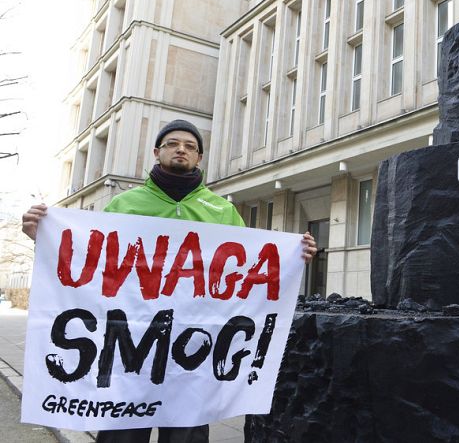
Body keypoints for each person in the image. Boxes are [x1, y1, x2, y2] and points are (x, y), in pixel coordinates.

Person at [22, 119, 317, 443]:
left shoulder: (222, 211)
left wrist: (293, 257)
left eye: (190, 146)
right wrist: (45, 237)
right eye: (172, 143)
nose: (181, 150)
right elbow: (91, 260)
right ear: (157, 152)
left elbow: (247, 274)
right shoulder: (124, 205)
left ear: (199, 157)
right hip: (127, 356)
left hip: (193, 361)